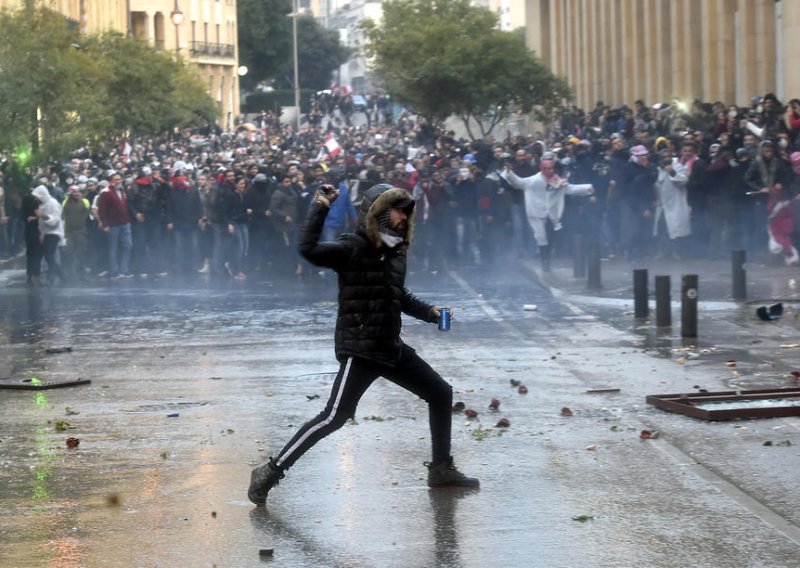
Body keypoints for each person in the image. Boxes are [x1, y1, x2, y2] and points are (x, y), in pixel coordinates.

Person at [248, 183, 479, 506]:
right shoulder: (351, 247)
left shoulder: (396, 250)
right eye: (397, 209)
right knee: (333, 417)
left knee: (440, 392)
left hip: (389, 346)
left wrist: (429, 312)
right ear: (378, 213)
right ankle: (269, 472)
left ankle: (441, 470)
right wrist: (320, 206)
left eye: (405, 210)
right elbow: (308, 249)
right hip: (361, 347)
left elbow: (398, 296)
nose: (403, 215)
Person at [501, 152, 595, 270]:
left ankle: (547, 256)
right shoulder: (533, 180)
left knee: (550, 236)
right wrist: (509, 173)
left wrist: (586, 188)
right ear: (542, 169)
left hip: (552, 213)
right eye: (547, 169)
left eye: (551, 168)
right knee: (541, 236)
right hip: (536, 213)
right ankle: (544, 259)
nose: (550, 171)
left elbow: (569, 189)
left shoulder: (556, 180)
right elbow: (519, 183)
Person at [31, 185, 66, 284]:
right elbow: (41, 223)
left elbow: (54, 220)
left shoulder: (53, 204)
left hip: (54, 232)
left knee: (49, 255)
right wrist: (41, 233)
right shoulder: (41, 205)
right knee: (47, 255)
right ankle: (59, 275)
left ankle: (55, 275)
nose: (36, 198)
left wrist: (42, 215)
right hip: (46, 233)